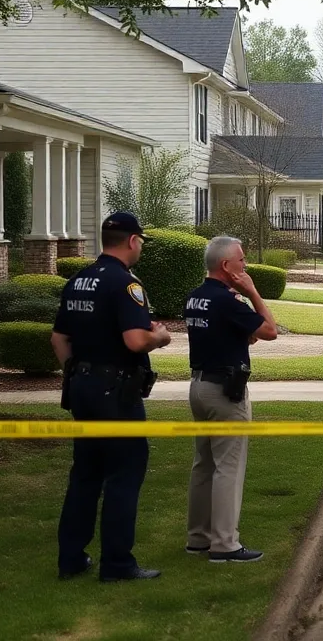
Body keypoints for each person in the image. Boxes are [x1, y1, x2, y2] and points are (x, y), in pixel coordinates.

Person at [52, 211, 172, 582]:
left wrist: (78, 372)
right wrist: (161, 337)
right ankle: (118, 564)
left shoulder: (79, 280)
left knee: (85, 473)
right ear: (133, 241)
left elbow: (58, 339)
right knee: (124, 473)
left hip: (83, 386)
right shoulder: (125, 284)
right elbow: (135, 340)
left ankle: (71, 559)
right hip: (116, 392)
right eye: (141, 243)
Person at [184, 235, 279, 563]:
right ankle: (225, 544)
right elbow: (269, 330)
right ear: (226, 266)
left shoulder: (196, 297)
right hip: (226, 392)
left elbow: (238, 336)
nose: (246, 265)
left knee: (204, 464)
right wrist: (252, 292)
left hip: (198, 386)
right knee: (228, 467)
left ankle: (198, 537)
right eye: (241, 260)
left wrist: (243, 325)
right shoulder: (228, 301)